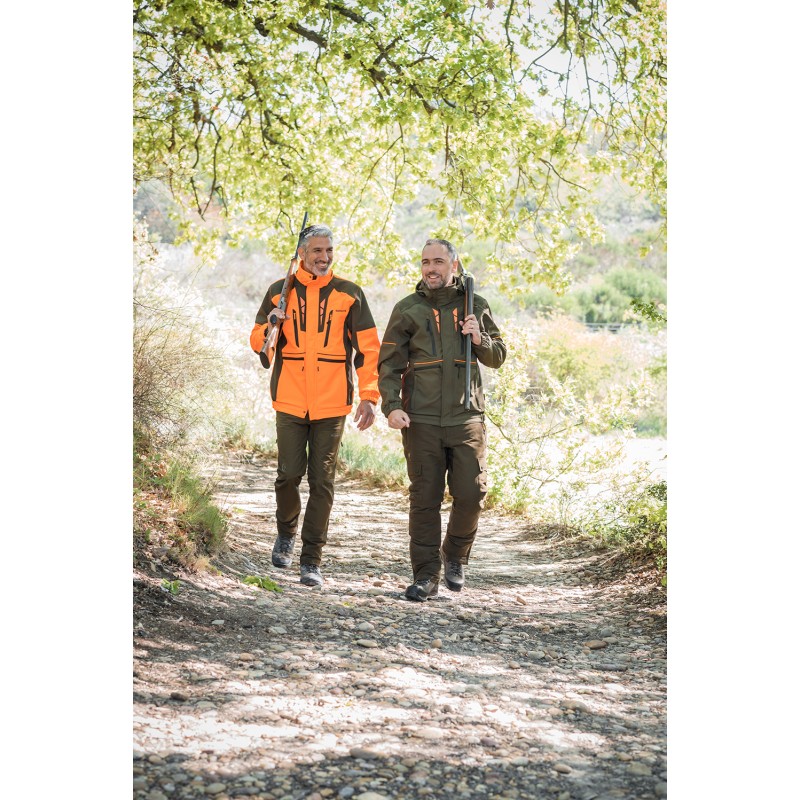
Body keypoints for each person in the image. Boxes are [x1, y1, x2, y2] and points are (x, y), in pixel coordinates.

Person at [249, 224, 380, 587]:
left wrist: (369, 396)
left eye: (329, 251)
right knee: (288, 475)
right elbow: (258, 342)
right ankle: (286, 533)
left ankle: (311, 560)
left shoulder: (349, 294)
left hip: (332, 403)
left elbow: (368, 350)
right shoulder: (280, 291)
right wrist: (272, 324)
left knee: (322, 482)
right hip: (290, 399)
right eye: (317, 251)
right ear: (302, 254)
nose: (324, 257)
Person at [378, 238, 507, 601]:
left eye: (437, 261)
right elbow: (389, 364)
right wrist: (392, 406)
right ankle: (426, 575)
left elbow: (498, 356)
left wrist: (479, 338)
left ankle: (454, 553)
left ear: (454, 265)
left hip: (467, 417)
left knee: (472, 493)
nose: (430, 268)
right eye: (425, 262)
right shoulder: (408, 309)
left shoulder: (475, 304)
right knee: (425, 499)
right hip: (421, 420)